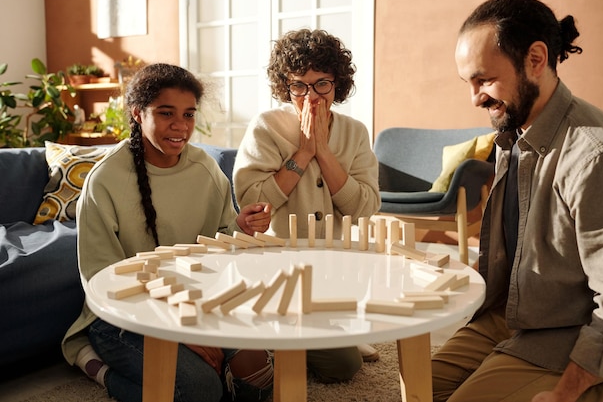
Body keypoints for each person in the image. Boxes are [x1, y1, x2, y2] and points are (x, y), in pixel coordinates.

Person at [430, 0, 603, 402]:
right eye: (468, 82)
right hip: (514, 313)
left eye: (483, 79)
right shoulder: (513, 134)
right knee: (412, 386)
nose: (475, 96)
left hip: (571, 333)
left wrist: (566, 391)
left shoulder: (597, 156)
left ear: (536, 59)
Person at [61, 63, 274, 402]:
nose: (180, 126)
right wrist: (178, 332)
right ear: (137, 114)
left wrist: (241, 227)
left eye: (188, 114)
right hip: (121, 317)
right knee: (201, 390)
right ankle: (99, 369)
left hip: (197, 302)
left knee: (261, 372)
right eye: (165, 113)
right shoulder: (104, 180)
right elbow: (102, 281)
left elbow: (221, 239)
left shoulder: (206, 170)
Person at [232, 29, 382, 380]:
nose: (310, 96)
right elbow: (252, 201)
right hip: (278, 277)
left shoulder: (355, 132)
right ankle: (276, 333)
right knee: (342, 366)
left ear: (337, 84)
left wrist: (324, 152)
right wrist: (302, 153)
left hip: (336, 275)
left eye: (321, 84)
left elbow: (365, 207)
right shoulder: (267, 127)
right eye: (299, 85)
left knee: (343, 362)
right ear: (286, 86)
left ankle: (331, 329)